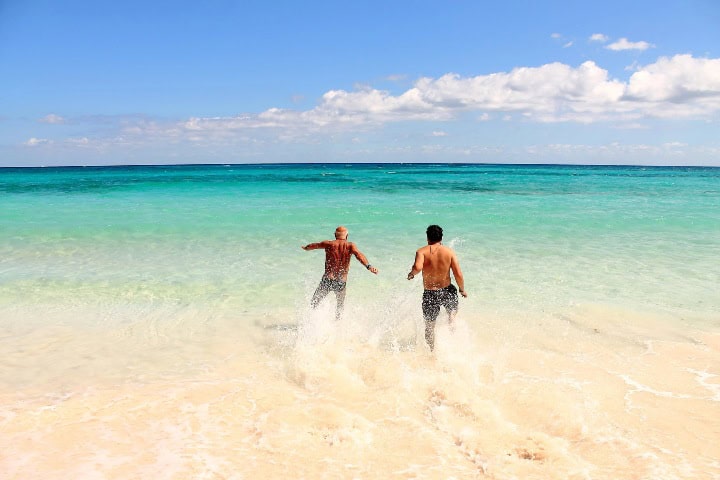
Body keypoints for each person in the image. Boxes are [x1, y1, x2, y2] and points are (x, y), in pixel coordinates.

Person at [407, 225, 467, 351]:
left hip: (430, 293)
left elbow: (418, 268)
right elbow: (458, 274)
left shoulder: (421, 251)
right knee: (452, 314)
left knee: (429, 326)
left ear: (427, 237)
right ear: (441, 237)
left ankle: (431, 351)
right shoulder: (449, 252)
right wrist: (462, 289)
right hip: (447, 290)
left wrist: (412, 273)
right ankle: (455, 340)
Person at [302, 226, 379, 320]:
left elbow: (314, 246)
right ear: (347, 236)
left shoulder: (328, 244)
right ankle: (338, 326)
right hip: (341, 281)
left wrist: (306, 248)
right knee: (340, 306)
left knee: (315, 302)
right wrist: (369, 266)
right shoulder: (350, 246)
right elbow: (359, 255)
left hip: (328, 279)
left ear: (335, 235)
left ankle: (309, 323)